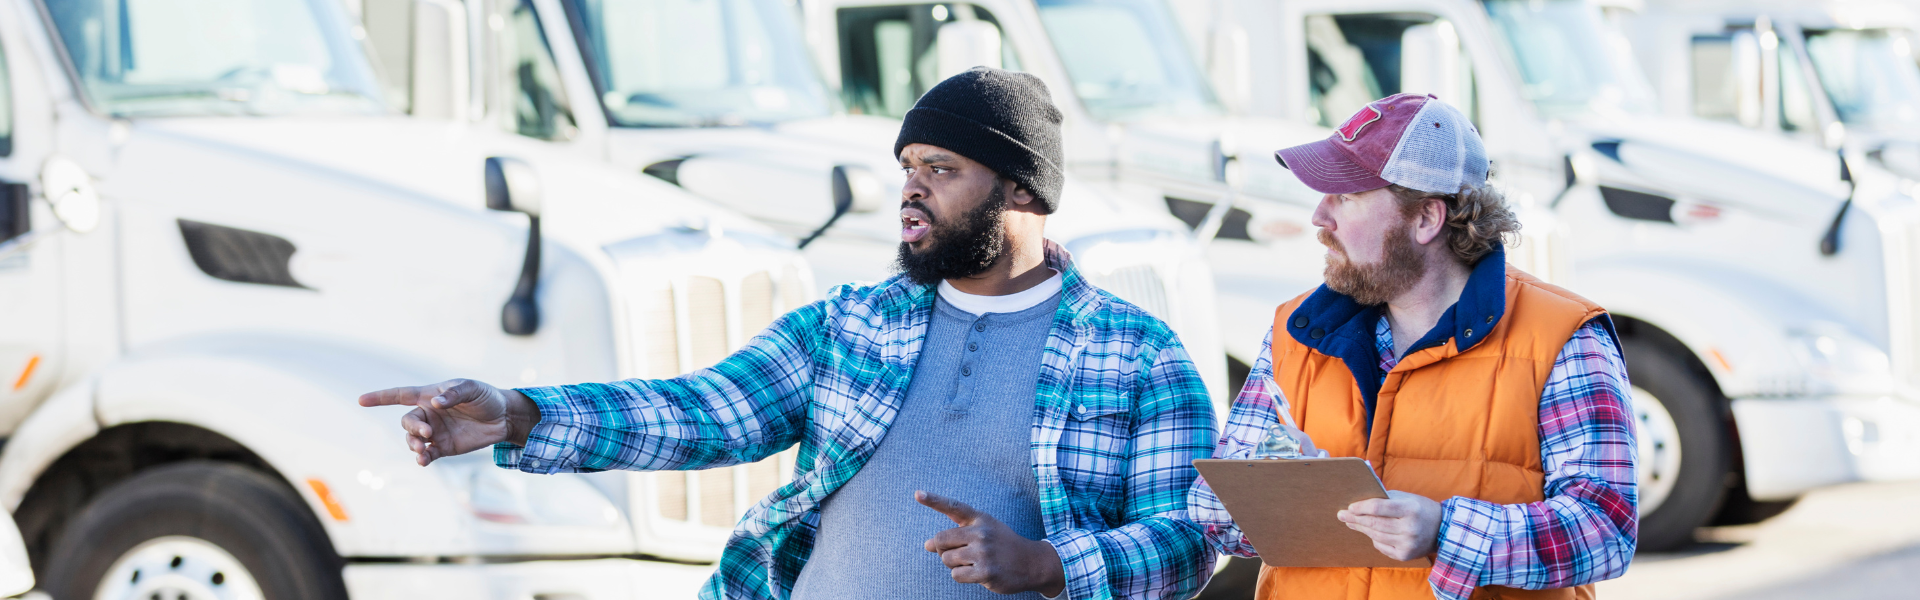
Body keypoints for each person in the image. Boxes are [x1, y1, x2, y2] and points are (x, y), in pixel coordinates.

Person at [360, 67, 1218, 600]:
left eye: (942, 169)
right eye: (907, 168)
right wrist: (518, 414)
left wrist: (1047, 566)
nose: (911, 190)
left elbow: (1190, 539)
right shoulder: (853, 323)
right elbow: (703, 411)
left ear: (1023, 191)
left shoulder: (1139, 355)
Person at [1188, 93, 1638, 599]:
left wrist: (1446, 531)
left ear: (1426, 218)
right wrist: (1281, 484)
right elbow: (1211, 513)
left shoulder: (1563, 336)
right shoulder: (1295, 331)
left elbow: (1606, 530)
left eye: (1346, 196)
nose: (1319, 216)